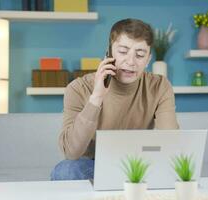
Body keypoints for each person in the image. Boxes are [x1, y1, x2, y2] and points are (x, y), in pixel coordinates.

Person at [51, 18, 179, 180]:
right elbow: (72, 152)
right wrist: (96, 97)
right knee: (66, 171)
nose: (131, 61)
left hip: (137, 164)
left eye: (140, 55)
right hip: (93, 166)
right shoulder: (78, 88)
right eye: (123, 52)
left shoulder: (160, 86)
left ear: (148, 59)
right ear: (109, 53)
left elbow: (172, 144)